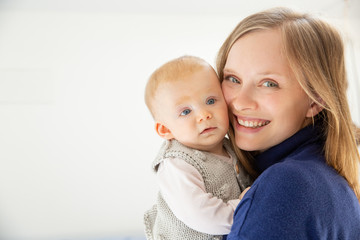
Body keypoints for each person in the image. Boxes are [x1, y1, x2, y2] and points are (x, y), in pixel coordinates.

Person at [216, 7, 360, 239]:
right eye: (233, 79)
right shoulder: (326, 176)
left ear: (315, 100)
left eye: (269, 83)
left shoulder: (287, 184)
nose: (241, 102)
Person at [143, 55, 251, 240]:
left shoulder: (232, 145)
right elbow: (201, 215)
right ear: (166, 129)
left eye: (210, 101)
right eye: (185, 111)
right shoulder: (176, 163)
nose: (204, 115)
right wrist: (244, 206)